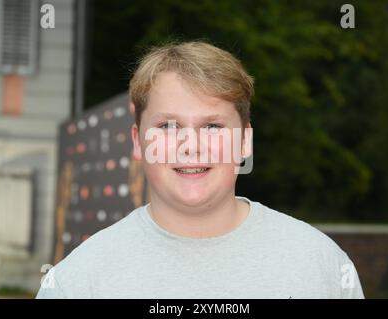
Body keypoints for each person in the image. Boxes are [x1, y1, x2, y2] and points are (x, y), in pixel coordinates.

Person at [36, 41, 364, 299]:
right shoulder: (76, 282)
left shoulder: (322, 266)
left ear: (244, 141)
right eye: (167, 125)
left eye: (212, 126)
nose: (190, 145)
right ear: (137, 142)